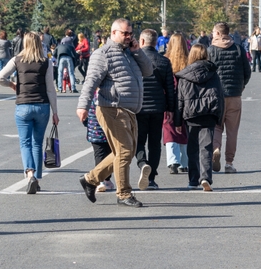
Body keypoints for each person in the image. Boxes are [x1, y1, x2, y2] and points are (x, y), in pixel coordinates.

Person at [76, 18, 154, 208]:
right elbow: (90, 81)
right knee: (124, 151)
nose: (128, 37)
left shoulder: (130, 53)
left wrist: (138, 51)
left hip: (129, 110)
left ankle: (90, 179)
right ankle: (124, 194)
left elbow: (148, 71)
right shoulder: (102, 54)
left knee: (126, 152)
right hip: (112, 108)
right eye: (124, 33)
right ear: (113, 33)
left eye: (130, 33)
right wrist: (82, 105)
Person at [0, 32, 59, 194]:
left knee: (25, 143)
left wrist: (11, 84)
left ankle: (30, 173)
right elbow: (50, 89)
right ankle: (36, 178)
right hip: (42, 106)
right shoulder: (46, 62)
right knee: (37, 143)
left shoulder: (17, 60)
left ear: (25, 43)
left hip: (23, 106)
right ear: (39, 43)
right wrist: (55, 112)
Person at [175, 44, 225, 192]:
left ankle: (193, 180)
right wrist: (219, 117)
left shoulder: (184, 75)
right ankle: (205, 178)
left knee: (192, 149)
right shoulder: (213, 73)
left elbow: (180, 100)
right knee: (206, 148)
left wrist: (178, 121)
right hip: (209, 113)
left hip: (191, 115)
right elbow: (219, 95)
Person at [134, 29, 176, 191]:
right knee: (154, 143)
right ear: (155, 42)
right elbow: (170, 88)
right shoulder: (164, 61)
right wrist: (171, 109)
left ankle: (142, 163)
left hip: (138, 107)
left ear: (142, 41)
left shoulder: (134, 59)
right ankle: (151, 178)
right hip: (158, 108)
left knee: (138, 141)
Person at [208, 22, 251, 174]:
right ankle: (229, 162)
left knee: (216, 126)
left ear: (218, 34)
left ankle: (216, 148)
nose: (212, 34)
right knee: (232, 131)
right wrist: (241, 86)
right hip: (235, 95)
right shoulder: (238, 49)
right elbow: (247, 71)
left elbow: (206, 71)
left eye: (213, 32)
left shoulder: (211, 50)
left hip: (216, 95)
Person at [164, 34, 190, 174]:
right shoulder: (189, 60)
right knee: (184, 129)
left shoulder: (166, 60)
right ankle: (184, 162)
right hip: (185, 99)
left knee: (169, 129)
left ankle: (173, 160)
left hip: (169, 98)